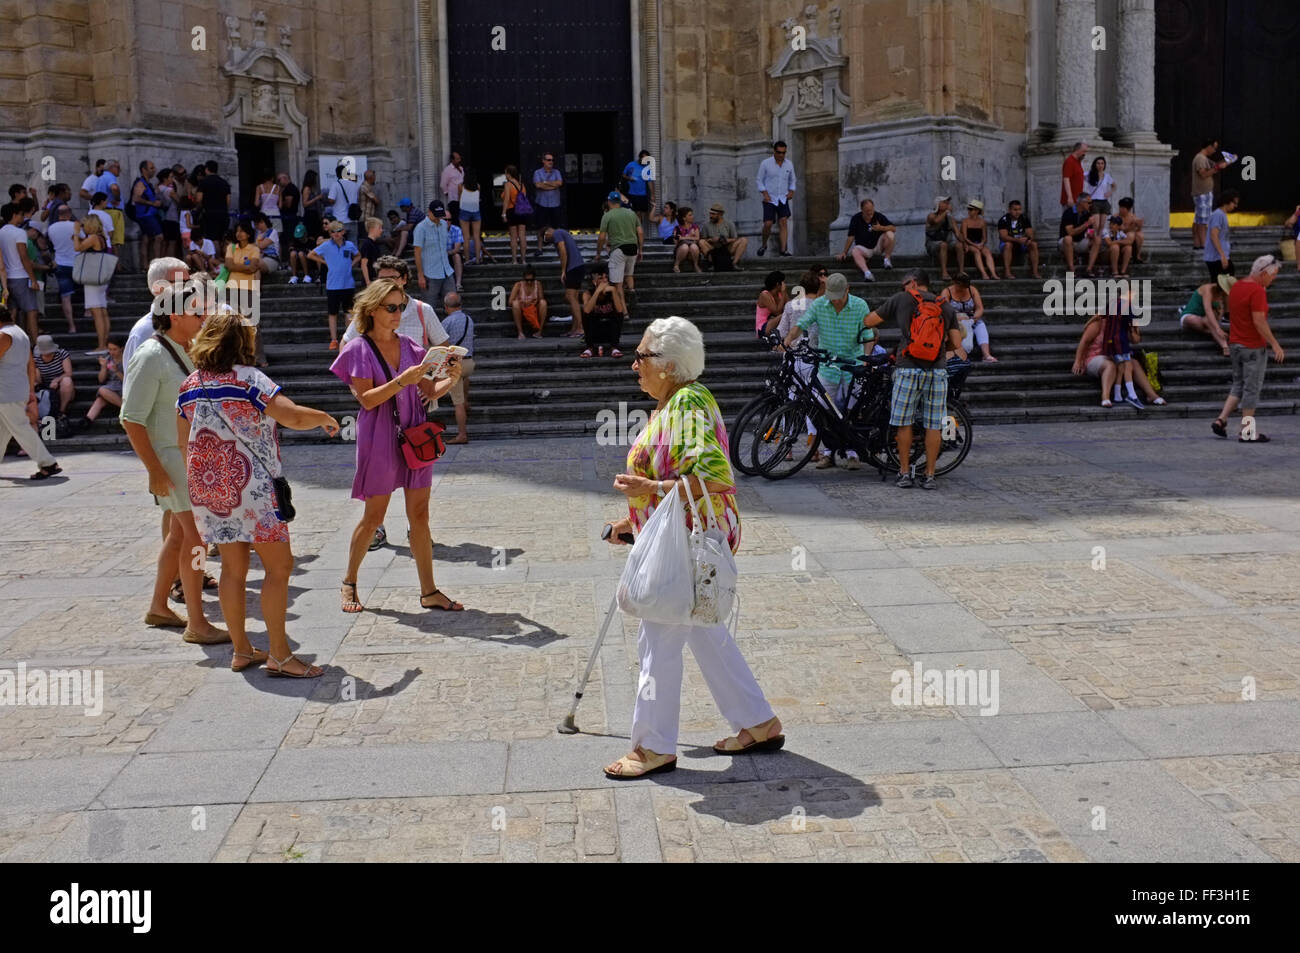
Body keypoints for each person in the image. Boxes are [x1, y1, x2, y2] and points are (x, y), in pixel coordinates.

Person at [603, 315, 782, 779]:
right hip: (678, 534)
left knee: (658, 636)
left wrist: (647, 485)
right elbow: (676, 477)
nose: (634, 365)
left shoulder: (688, 403)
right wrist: (634, 516)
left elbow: (715, 478)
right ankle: (758, 722)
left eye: (641, 356)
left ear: (667, 364)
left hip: (685, 543)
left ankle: (653, 747)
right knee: (704, 628)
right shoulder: (676, 403)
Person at [179, 310, 339, 676]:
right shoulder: (250, 379)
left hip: (211, 488)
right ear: (243, 341)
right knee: (279, 567)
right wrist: (325, 417)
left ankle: (241, 650)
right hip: (253, 488)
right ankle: (281, 655)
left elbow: (181, 443)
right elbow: (293, 416)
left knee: (233, 569)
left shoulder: (190, 384)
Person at [330, 278, 465, 614]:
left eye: (401, 307)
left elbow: (430, 391)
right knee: (374, 516)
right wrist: (401, 380)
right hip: (379, 435)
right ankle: (349, 581)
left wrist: (453, 377)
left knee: (419, 514)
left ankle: (429, 591)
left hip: (415, 431)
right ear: (372, 309)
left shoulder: (408, 346)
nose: (398, 313)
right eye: (391, 307)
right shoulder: (359, 348)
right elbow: (367, 399)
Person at [121, 275, 227, 643]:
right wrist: (154, 470)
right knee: (196, 540)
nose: (204, 317)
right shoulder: (150, 355)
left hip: (190, 456)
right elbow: (130, 418)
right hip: (172, 458)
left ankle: (158, 606)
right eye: (198, 312)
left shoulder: (187, 347)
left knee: (182, 536)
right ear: (176, 315)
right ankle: (197, 622)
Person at [864, 269, 968, 489]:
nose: (903, 289)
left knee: (903, 422)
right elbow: (957, 343)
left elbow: (870, 320)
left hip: (907, 368)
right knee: (933, 425)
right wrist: (938, 348)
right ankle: (929, 475)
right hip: (937, 370)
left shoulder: (902, 299)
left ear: (912, 283)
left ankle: (904, 473)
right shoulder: (945, 305)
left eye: (904, 285)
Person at [782, 272, 871, 469]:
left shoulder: (859, 305)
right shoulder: (819, 304)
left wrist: (865, 361)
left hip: (852, 365)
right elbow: (801, 324)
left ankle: (852, 453)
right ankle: (828, 452)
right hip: (827, 367)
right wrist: (789, 338)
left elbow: (868, 335)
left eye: (839, 296)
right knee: (822, 409)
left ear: (847, 290)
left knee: (851, 412)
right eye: (832, 296)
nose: (835, 301)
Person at [1212, 255, 1285, 442]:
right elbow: (1259, 321)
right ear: (1263, 273)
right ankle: (1247, 432)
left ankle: (1221, 419)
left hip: (1236, 344)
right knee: (1251, 389)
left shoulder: (1236, 287)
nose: (1273, 278)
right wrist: (1275, 344)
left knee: (1238, 384)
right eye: (1273, 274)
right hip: (1252, 346)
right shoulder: (1257, 291)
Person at [775, 267, 829, 465]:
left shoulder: (791, 305)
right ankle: (813, 448)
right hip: (814, 361)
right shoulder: (823, 305)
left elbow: (782, 332)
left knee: (789, 403)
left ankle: (786, 448)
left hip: (793, 359)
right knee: (814, 404)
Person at [0, 309, 60, 479]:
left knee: (20, 427)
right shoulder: (21, 333)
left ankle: (48, 462)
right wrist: (31, 390)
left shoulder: (4, 335)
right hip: (15, 389)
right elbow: (31, 364)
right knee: (2, 430)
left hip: (5, 391)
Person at [1072, 311, 1162, 409]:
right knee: (1110, 365)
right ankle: (1105, 397)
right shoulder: (1099, 322)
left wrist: (1132, 328)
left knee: (1134, 363)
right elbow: (1084, 342)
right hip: (1095, 357)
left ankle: (1151, 395)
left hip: (1116, 357)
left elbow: (1136, 341)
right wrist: (1078, 361)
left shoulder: (1124, 324)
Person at [124, 257, 190, 370]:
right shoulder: (144, 331)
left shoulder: (195, 321)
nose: (189, 289)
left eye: (189, 282)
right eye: (181, 282)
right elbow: (135, 383)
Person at [308, 220, 358, 350]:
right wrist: (324, 262)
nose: (336, 233)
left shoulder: (350, 245)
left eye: (338, 230)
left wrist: (351, 264)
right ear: (329, 233)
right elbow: (311, 255)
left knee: (348, 312)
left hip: (348, 284)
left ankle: (348, 338)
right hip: (333, 285)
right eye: (333, 231)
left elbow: (358, 255)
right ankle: (334, 339)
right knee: (333, 313)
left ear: (343, 232)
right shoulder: (326, 246)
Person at [438, 292, 475, 443]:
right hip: (469, 362)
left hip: (455, 363)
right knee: (464, 378)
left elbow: (439, 343)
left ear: (446, 307)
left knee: (457, 402)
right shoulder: (468, 319)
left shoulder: (446, 322)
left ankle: (462, 434)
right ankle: (466, 402)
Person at [1, 202, 40, 340]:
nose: (23, 217)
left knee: (12, 311)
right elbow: (24, 256)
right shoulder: (19, 233)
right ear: (14, 215)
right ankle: (35, 343)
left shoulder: (1, 232)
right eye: (21, 214)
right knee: (31, 311)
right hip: (21, 277)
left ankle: (13, 341)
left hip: (5, 278)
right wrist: (33, 279)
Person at [72, 214, 112, 349]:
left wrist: (76, 233)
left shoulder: (93, 237)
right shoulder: (102, 238)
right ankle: (105, 343)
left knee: (97, 312)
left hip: (93, 279)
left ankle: (101, 345)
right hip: (101, 277)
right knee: (102, 310)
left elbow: (77, 248)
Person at [937, 273, 995, 362]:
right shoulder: (946, 292)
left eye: (965, 287)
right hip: (954, 320)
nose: (962, 289)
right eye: (960, 287)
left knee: (981, 325)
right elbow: (946, 310)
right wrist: (957, 318)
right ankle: (961, 354)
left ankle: (986, 354)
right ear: (955, 283)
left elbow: (980, 308)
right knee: (961, 326)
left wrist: (974, 318)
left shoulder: (972, 290)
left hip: (971, 318)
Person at [838, 197, 895, 282]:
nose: (870, 213)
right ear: (862, 210)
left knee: (890, 234)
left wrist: (881, 228)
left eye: (871, 210)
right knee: (855, 251)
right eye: (867, 211)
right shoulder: (856, 219)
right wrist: (844, 252)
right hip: (865, 248)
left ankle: (887, 260)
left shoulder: (878, 216)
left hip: (878, 246)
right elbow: (851, 236)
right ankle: (867, 273)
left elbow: (893, 228)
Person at [74, 336, 125, 429]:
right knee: (101, 398)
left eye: (115, 349)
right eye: (110, 349)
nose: (112, 352)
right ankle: (87, 420)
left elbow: (127, 381)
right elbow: (101, 380)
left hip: (123, 386)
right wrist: (104, 367)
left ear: (122, 348)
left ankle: (126, 409)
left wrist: (117, 371)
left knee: (102, 390)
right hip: (111, 387)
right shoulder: (108, 358)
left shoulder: (127, 359)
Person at [597, 191, 643, 294]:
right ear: (620, 201)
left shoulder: (607, 216)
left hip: (618, 249)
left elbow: (602, 237)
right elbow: (640, 232)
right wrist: (640, 250)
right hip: (633, 248)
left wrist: (598, 253)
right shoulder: (632, 213)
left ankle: (622, 307)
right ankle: (631, 292)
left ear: (609, 202)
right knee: (629, 275)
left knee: (618, 283)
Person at [411, 200, 455, 308]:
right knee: (428, 308)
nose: (438, 218)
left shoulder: (444, 224)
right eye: (436, 215)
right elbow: (417, 253)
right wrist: (420, 275)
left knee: (453, 303)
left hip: (447, 271)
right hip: (429, 274)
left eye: (440, 215)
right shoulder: (421, 228)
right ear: (429, 212)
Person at [544, 225, 586, 338]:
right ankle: (575, 328)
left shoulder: (557, 233)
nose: (550, 241)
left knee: (570, 297)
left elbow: (563, 250)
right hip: (578, 266)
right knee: (574, 298)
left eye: (547, 239)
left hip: (573, 267)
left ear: (548, 232)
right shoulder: (563, 233)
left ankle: (581, 327)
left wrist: (563, 270)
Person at [579, 261, 625, 360]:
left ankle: (614, 347)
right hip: (594, 331)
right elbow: (586, 311)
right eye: (601, 278)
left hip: (610, 331)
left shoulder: (613, 291)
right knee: (586, 314)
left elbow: (620, 311)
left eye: (605, 278)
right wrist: (598, 291)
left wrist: (613, 291)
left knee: (618, 314)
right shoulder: (587, 293)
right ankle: (590, 348)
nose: (604, 281)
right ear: (594, 281)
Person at [756, 140, 796, 256]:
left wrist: (792, 191)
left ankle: (783, 250)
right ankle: (764, 245)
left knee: (783, 221)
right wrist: (764, 193)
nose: (781, 155)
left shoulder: (789, 164)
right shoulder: (765, 163)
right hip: (770, 198)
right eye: (779, 152)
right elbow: (759, 180)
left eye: (784, 153)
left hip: (782, 197)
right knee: (768, 223)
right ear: (774, 151)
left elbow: (792, 179)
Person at [1179, 274, 1233, 356]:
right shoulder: (1208, 289)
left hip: (1207, 320)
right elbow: (1208, 310)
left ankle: (1224, 346)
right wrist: (1218, 329)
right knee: (1200, 320)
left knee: (1208, 320)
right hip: (1191, 316)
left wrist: (1219, 312)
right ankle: (1224, 344)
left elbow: (1220, 315)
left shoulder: (1223, 295)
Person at [46, 204, 78, 333]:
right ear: (69, 214)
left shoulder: (51, 228)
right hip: (77, 263)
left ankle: (72, 326)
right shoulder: (75, 225)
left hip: (60, 264)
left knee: (65, 297)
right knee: (87, 289)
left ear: (58, 215)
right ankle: (88, 311)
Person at [32, 334, 74, 433]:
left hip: (62, 388)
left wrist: (57, 380)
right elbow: (37, 381)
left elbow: (69, 373)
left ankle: (61, 412)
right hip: (46, 391)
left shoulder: (62, 354)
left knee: (67, 381)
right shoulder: (36, 358)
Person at [1191, 138, 1227, 249]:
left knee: (1198, 219)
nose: (1215, 151)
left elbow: (1215, 165)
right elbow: (1203, 174)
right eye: (1214, 148)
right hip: (1202, 193)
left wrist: (1226, 162)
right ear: (1209, 146)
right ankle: (1203, 244)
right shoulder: (1200, 158)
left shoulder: (1204, 158)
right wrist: (1217, 168)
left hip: (1203, 193)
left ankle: (1197, 243)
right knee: (1203, 221)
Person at [130, 160, 164, 265]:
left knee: (146, 239)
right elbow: (136, 198)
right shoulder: (141, 183)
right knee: (159, 237)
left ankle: (145, 265)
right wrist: (152, 203)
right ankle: (156, 265)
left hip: (148, 214)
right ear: (144, 170)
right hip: (146, 215)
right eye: (151, 168)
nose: (154, 170)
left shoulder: (148, 183)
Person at [195, 160, 231, 258]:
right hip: (223, 214)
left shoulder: (204, 182)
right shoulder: (224, 183)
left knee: (213, 240)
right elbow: (228, 201)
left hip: (210, 214)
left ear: (206, 169)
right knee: (222, 239)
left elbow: (199, 199)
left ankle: (216, 262)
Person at [996, 200, 1040, 279]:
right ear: (1009, 210)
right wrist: (1017, 240)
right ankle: (1007, 272)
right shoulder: (1003, 220)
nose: (1018, 212)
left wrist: (1028, 239)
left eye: (1019, 209)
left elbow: (1030, 234)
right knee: (1008, 244)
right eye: (1015, 210)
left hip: (1021, 243)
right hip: (1008, 244)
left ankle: (1035, 272)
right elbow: (1003, 237)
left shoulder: (1024, 218)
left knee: (1033, 244)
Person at [531, 152, 564, 256]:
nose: (551, 162)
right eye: (549, 160)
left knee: (556, 227)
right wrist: (553, 186)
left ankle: (558, 247)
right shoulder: (537, 172)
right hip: (542, 203)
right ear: (543, 161)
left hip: (555, 203)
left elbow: (560, 183)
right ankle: (539, 248)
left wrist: (545, 183)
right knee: (541, 227)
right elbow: (538, 185)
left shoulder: (557, 172)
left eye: (552, 160)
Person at [956, 199, 997, 280]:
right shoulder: (965, 221)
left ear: (977, 210)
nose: (969, 211)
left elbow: (985, 237)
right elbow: (965, 237)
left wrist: (981, 244)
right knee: (976, 251)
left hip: (979, 243)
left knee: (988, 252)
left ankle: (993, 273)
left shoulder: (982, 222)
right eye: (969, 209)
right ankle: (984, 273)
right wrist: (975, 245)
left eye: (971, 209)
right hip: (969, 243)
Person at [699, 202, 747, 270]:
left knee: (744, 240)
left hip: (727, 248)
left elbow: (735, 238)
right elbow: (703, 239)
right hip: (713, 249)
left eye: (713, 214)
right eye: (710, 213)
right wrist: (712, 240)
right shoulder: (706, 225)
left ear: (720, 214)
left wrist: (726, 240)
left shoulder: (729, 224)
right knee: (701, 242)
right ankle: (711, 264)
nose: (710, 216)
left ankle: (734, 264)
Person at [1204, 189, 1238, 280]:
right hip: (1216, 258)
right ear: (1227, 202)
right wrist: (1222, 255)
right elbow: (1214, 235)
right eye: (1233, 203)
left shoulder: (1221, 215)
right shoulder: (1218, 215)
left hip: (1220, 256)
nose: (1235, 206)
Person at [1058, 193, 1095, 274]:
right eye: (1089, 203)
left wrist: (1091, 234)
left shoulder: (1087, 214)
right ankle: (1071, 268)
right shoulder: (1068, 212)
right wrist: (1086, 224)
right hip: (1066, 243)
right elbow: (1070, 232)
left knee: (1097, 240)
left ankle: (1089, 269)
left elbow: (1090, 231)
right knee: (1068, 238)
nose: (1091, 205)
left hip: (1080, 242)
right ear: (1082, 202)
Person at [621, 150, 655, 232]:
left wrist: (652, 195)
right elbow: (623, 175)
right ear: (640, 157)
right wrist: (630, 178)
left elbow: (650, 182)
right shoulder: (631, 165)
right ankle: (634, 232)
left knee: (641, 214)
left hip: (642, 194)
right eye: (643, 158)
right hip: (631, 193)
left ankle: (638, 232)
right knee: (634, 214)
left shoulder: (647, 168)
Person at [509, 266, 547, 339]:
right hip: (522, 309)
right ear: (523, 278)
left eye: (531, 280)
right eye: (527, 280)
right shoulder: (518, 285)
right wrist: (521, 303)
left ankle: (540, 331)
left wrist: (534, 302)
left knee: (543, 302)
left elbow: (541, 298)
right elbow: (510, 302)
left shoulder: (538, 284)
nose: (529, 282)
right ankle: (520, 332)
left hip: (534, 309)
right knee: (515, 304)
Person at [925, 196, 958, 280]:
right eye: (944, 202)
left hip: (946, 241)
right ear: (937, 204)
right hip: (932, 243)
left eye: (948, 203)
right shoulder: (931, 215)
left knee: (959, 245)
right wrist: (946, 211)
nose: (947, 204)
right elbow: (936, 221)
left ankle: (961, 272)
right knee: (943, 245)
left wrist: (965, 243)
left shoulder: (950, 218)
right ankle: (944, 272)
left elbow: (957, 232)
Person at [501, 165, 529, 264]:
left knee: (513, 236)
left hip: (512, 211)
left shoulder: (508, 184)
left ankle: (514, 259)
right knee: (522, 235)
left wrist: (503, 213)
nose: (505, 175)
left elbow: (506, 199)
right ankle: (524, 259)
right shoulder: (522, 185)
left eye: (506, 173)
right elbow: (524, 198)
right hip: (522, 211)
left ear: (509, 173)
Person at [327, 164, 360, 243]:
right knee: (353, 245)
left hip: (339, 220)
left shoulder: (335, 185)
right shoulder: (354, 185)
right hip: (352, 220)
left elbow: (331, 200)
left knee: (339, 244)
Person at [1084, 156, 1115, 235]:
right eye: (1098, 163)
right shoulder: (1089, 174)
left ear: (1104, 165)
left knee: (1102, 226)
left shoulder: (1107, 176)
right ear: (1095, 164)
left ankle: (1099, 242)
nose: (1100, 165)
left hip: (1104, 202)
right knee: (1096, 225)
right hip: (1094, 202)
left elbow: (1114, 185)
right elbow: (1079, 176)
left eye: (1102, 163)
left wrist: (1110, 192)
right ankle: (1094, 241)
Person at [457, 170, 484, 264]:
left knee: (466, 237)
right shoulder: (478, 186)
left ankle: (467, 259)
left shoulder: (461, 186)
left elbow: (459, 198)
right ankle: (477, 259)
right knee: (476, 236)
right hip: (476, 211)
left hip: (464, 211)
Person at [299, 169, 325, 258]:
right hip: (310, 215)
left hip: (315, 214)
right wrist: (317, 198)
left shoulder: (313, 188)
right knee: (311, 236)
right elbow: (305, 203)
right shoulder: (307, 189)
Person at [755, 270, 787, 339]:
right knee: (786, 314)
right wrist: (784, 293)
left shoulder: (781, 293)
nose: (785, 284)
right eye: (783, 282)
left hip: (776, 324)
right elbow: (777, 312)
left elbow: (791, 306)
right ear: (778, 284)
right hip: (764, 328)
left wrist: (784, 294)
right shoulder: (764, 295)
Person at [1116, 197, 1145, 264]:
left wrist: (1139, 226)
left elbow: (1137, 230)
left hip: (1130, 239)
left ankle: (1137, 256)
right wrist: (1131, 227)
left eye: (1123, 208)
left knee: (1140, 235)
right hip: (1120, 238)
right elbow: (1122, 230)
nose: (1121, 209)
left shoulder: (1132, 217)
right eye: (1120, 207)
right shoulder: (1116, 216)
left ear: (1128, 209)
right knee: (1130, 235)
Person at [672, 206, 702, 273]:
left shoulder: (695, 226)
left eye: (692, 215)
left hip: (692, 253)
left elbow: (697, 238)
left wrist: (683, 237)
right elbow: (676, 242)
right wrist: (690, 236)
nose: (692, 216)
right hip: (681, 252)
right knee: (685, 247)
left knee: (694, 246)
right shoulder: (677, 228)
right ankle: (676, 265)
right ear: (684, 218)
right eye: (690, 215)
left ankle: (696, 265)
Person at [276, 172, 300, 256]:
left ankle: (290, 260)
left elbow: (288, 204)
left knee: (289, 240)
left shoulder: (290, 189)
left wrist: (279, 202)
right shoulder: (289, 188)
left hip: (289, 218)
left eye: (279, 180)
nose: (278, 182)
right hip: (288, 217)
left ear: (285, 178)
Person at [1061, 141, 1088, 208]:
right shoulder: (1069, 161)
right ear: (1077, 150)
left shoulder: (1077, 162)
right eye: (1083, 151)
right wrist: (1070, 197)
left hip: (1077, 200)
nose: (1084, 154)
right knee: (1070, 218)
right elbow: (1066, 179)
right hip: (1071, 201)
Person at [358, 216, 384, 285]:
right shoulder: (367, 244)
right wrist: (368, 281)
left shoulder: (374, 243)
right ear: (372, 229)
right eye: (379, 228)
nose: (381, 230)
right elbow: (364, 264)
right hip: (371, 280)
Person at [444, 208, 465, 292]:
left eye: (449, 219)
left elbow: (456, 249)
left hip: (450, 253)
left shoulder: (456, 230)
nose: (447, 221)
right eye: (445, 220)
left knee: (456, 256)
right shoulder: (435, 230)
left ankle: (458, 284)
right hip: (439, 255)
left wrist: (447, 253)